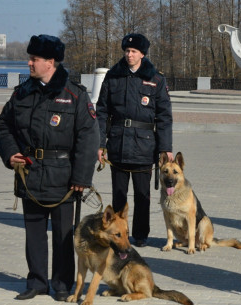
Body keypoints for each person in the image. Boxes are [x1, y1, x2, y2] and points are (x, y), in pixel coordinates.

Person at [0, 34, 99, 301]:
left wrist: (81, 177)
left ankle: (62, 284)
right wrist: (10, 154)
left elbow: (88, 136)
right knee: (34, 234)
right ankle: (37, 282)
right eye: (30, 58)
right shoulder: (22, 93)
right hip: (30, 173)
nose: (29, 63)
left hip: (64, 177)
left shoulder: (75, 94)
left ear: (50, 62)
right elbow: (4, 125)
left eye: (34, 59)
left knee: (64, 236)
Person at [96, 33, 173, 247]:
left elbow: (164, 116)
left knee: (142, 195)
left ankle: (140, 235)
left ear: (142, 54)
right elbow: (101, 112)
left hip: (144, 145)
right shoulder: (113, 76)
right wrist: (100, 144)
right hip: (118, 143)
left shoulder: (156, 79)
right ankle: (118, 234)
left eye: (133, 52)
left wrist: (165, 148)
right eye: (127, 51)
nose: (129, 55)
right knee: (119, 195)